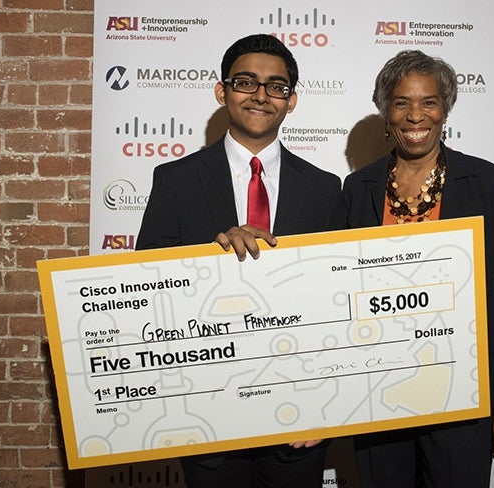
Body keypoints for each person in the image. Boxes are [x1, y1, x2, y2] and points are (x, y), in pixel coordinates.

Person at [136, 33, 345, 487]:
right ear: (222, 91)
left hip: (298, 419)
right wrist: (209, 262)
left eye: (277, 86)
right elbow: (146, 290)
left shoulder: (326, 189)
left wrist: (327, 404)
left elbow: (339, 306)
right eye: (246, 82)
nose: (261, 95)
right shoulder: (174, 180)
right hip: (207, 416)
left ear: (291, 101)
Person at [342, 50, 494, 487]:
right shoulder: (357, 189)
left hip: (462, 397)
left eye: (428, 102)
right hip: (377, 396)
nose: (415, 116)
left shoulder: (487, 183)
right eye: (401, 102)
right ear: (385, 111)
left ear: (444, 109)